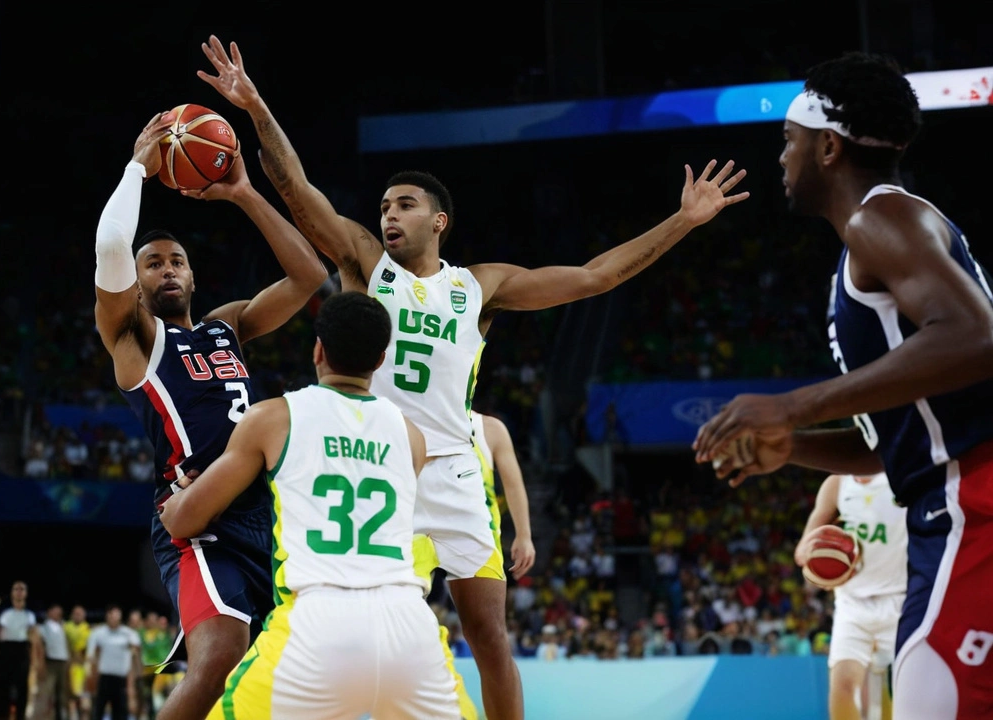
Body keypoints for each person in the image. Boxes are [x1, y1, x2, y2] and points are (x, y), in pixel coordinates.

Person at [196, 35, 749, 720]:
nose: (387, 215)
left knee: (490, 637)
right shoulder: (368, 264)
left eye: (403, 205)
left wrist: (685, 220)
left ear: (439, 220)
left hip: (457, 472)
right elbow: (295, 188)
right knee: (364, 629)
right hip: (380, 462)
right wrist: (254, 106)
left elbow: (595, 277)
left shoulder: (478, 287)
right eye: (385, 207)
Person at [692, 52, 993, 719]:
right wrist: (791, 443)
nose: (780, 158)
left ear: (827, 147)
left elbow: (979, 337)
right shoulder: (876, 238)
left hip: (973, 498)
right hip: (950, 497)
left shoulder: (880, 220)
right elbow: (897, 440)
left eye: (787, 141)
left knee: (933, 699)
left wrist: (792, 403)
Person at [93, 110, 329, 720]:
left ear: (193, 274)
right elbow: (113, 244)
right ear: (137, 284)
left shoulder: (227, 328)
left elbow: (310, 276)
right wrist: (139, 170)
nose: (166, 269)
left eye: (176, 261)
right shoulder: (135, 340)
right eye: (153, 264)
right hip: (198, 520)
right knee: (220, 654)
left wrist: (245, 193)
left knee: (288, 675)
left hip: (269, 519)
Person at [161, 291, 464, 719]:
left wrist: (175, 506)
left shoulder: (273, 417)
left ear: (318, 350)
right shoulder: (413, 436)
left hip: (317, 621)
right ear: (380, 361)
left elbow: (186, 520)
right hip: (408, 624)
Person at [797, 472, 906, 720]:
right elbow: (804, 551)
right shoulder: (836, 484)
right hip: (851, 603)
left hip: (900, 599)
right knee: (843, 687)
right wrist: (820, 567)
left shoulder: (900, 474)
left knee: (907, 694)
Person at [472, 411, 536, 580]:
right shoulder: (409, 423)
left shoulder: (490, 429)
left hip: (477, 534)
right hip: (420, 532)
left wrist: (524, 535)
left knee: (486, 606)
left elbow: (514, 486)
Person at [0, 580, 42, 720]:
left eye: (22, 589)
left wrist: (35, 659)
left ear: (26, 593)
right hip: (5, 651)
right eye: (16, 588)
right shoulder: (3, 612)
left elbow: (34, 637)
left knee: (22, 688)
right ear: (12, 592)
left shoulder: (30, 615)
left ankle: (20, 716)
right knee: (1, 687)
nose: (19, 591)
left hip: (22, 651)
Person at [87, 605, 141, 720]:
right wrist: (91, 675)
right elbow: (91, 656)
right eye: (112, 615)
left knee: (121, 712)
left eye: (117, 615)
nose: (114, 618)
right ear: (107, 616)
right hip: (103, 678)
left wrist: (135, 677)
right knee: (98, 711)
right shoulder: (98, 633)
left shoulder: (129, 634)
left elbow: (136, 655)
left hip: (121, 679)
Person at [37, 604, 72, 720]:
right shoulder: (43, 627)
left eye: (60, 612)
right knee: (48, 691)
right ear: (49, 612)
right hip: (50, 662)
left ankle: (61, 716)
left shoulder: (64, 626)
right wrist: (41, 664)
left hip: (63, 662)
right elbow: (40, 646)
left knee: (62, 693)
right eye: (56, 611)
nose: (59, 613)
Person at [64, 605, 93, 720]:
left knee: (85, 702)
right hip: (70, 667)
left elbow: (89, 649)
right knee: (70, 700)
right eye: (76, 613)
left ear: (84, 616)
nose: (78, 616)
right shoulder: (66, 627)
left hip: (84, 668)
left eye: (80, 614)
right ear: (72, 615)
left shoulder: (88, 629)